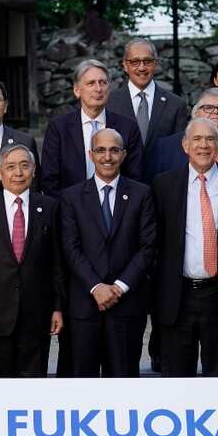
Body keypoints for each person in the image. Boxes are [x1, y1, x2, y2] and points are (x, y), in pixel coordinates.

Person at [152, 118, 218, 377]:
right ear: (185, 145)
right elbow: (154, 244)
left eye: (210, 139)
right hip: (178, 297)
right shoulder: (163, 186)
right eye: (196, 139)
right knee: (177, 381)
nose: (203, 145)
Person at [59, 128, 155, 377]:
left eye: (114, 150)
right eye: (100, 150)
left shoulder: (142, 194)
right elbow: (70, 247)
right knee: (81, 383)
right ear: (91, 155)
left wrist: (119, 287)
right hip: (84, 305)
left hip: (127, 305)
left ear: (123, 155)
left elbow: (147, 247)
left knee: (123, 382)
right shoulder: (71, 197)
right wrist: (96, 287)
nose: (107, 156)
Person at [0, 144, 63, 376]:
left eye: (24, 166)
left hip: (37, 313)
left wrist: (58, 308)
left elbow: (58, 262)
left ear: (34, 171)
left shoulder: (50, 207)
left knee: (33, 381)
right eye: (10, 167)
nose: (18, 173)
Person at [40, 59, 144, 197]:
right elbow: (49, 180)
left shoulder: (128, 127)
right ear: (77, 90)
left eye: (103, 82)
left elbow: (135, 176)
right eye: (91, 83)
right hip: (69, 211)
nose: (98, 89)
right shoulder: (58, 128)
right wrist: (69, 212)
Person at [107, 38, 188, 162]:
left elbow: (178, 153)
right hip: (121, 180)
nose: (142, 68)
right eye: (135, 62)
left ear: (155, 64)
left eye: (147, 61)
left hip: (161, 180)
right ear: (125, 65)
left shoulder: (176, 105)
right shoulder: (109, 102)